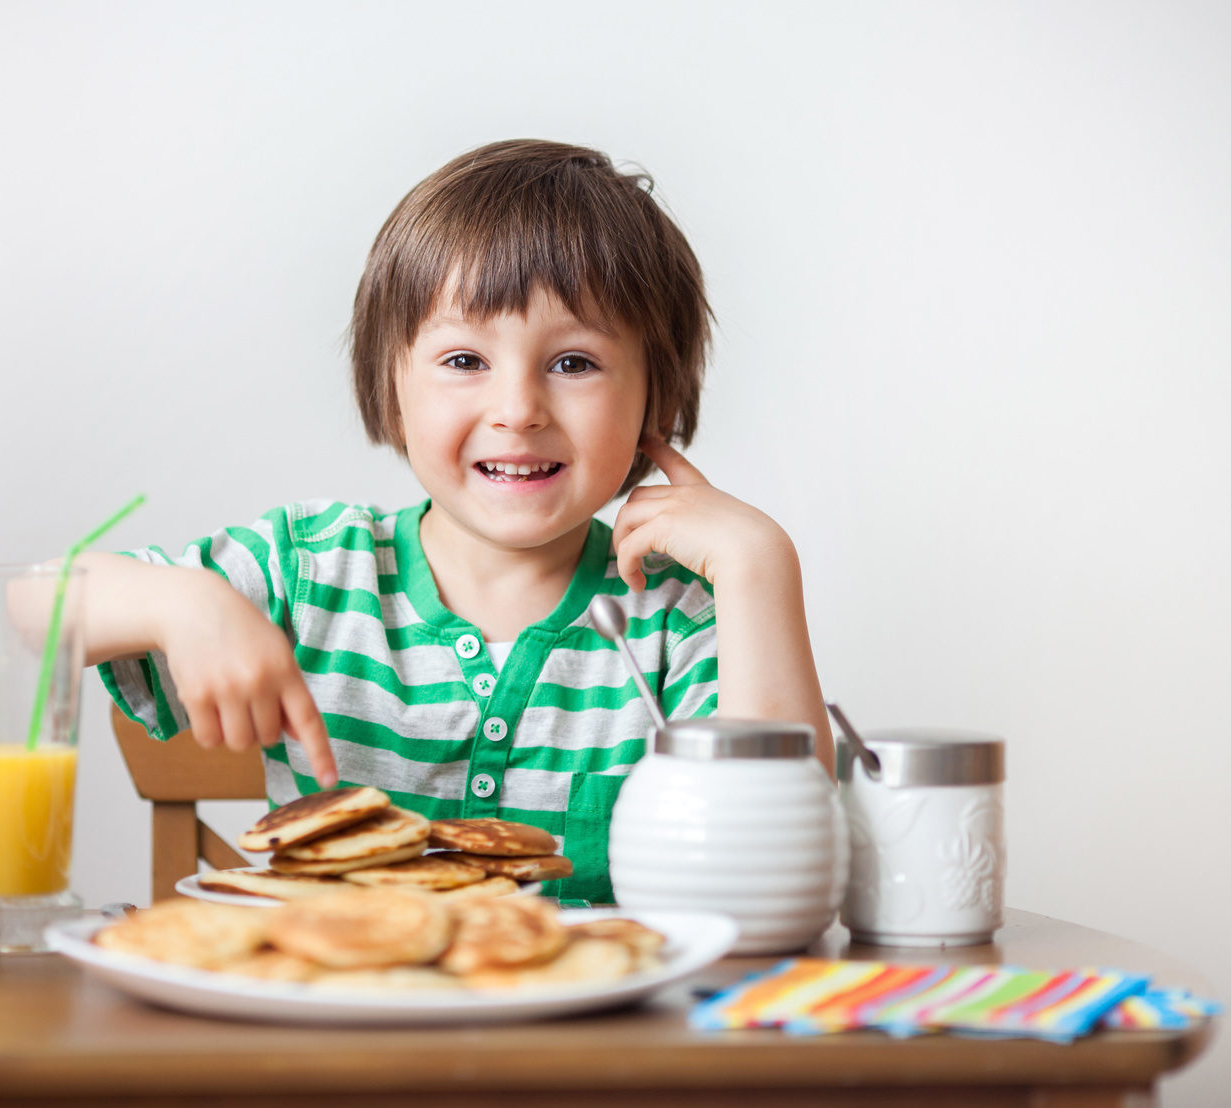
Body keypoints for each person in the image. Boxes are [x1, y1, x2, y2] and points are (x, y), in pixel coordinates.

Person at [77, 139, 829, 904]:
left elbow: (780, 867)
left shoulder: (680, 615)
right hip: (338, 1007)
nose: (517, 411)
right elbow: (26, 610)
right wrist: (185, 604)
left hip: (600, 1016)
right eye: (465, 360)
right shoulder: (308, 569)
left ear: (654, 399)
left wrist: (758, 570)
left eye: (573, 362)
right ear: (390, 382)